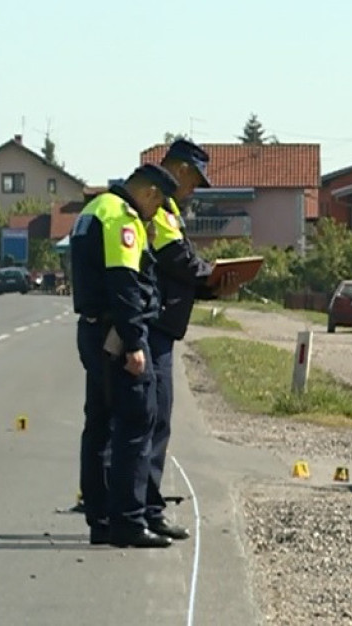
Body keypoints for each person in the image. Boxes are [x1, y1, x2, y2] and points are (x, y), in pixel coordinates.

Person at [70, 163, 179, 548]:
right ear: (149, 193)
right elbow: (123, 282)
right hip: (117, 333)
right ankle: (129, 521)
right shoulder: (122, 217)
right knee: (136, 422)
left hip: (92, 328)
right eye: (158, 203)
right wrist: (133, 342)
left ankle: (100, 521)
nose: (155, 213)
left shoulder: (93, 209)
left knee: (98, 425)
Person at [143, 139, 237, 540]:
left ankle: (141, 506)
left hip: (161, 322)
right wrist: (212, 276)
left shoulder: (165, 209)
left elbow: (180, 267)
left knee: (150, 419)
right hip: (157, 323)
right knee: (153, 418)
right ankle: (144, 508)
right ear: (179, 170)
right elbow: (175, 261)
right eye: (194, 181)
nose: (195, 190)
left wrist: (211, 285)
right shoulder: (160, 210)